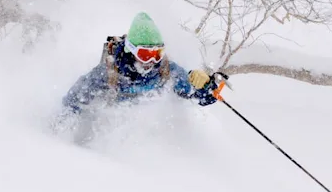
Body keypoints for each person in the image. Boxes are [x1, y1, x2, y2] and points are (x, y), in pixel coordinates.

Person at [59, 12, 218, 122]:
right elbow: (74, 99)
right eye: (144, 54)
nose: (151, 61)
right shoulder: (108, 73)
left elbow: (195, 95)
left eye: (157, 53)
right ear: (131, 49)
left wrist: (206, 87)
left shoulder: (165, 70)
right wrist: (65, 122)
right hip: (110, 120)